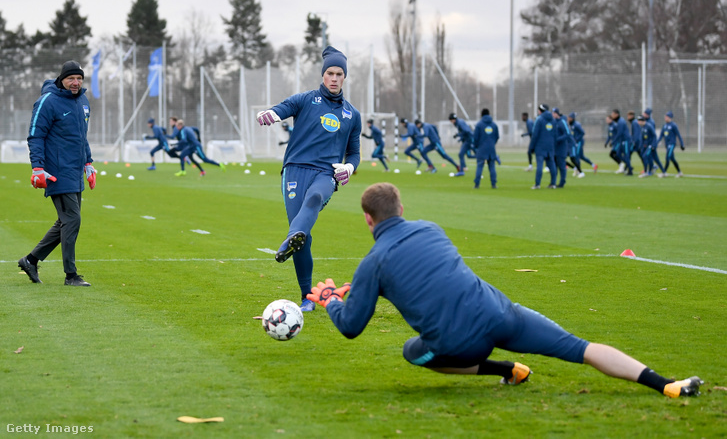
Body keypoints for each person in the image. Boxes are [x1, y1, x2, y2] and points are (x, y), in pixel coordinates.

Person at [307, 182, 703, 399]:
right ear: (402, 209)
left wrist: (332, 300)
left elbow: (351, 327)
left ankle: (507, 370)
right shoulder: (431, 228)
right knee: (580, 347)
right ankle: (667, 384)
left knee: (414, 352)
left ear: (366, 219)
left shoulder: (372, 264)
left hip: (458, 344)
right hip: (501, 315)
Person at [255, 46, 361, 312]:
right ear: (323, 75)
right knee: (303, 237)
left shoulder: (352, 115)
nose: (334, 78)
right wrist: (270, 114)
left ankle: (290, 240)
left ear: (344, 77)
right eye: (330, 73)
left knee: (314, 199)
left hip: (326, 174)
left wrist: (348, 168)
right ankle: (306, 297)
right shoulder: (305, 99)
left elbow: (355, 153)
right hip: (294, 171)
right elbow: (283, 108)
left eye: (339, 74)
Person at [18, 60, 95, 287]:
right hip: (56, 171)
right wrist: (38, 167)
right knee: (72, 220)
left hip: (74, 171)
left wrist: (88, 163)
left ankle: (30, 260)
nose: (76, 82)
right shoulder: (47, 101)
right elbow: (35, 135)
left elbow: (82, 136)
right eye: (71, 78)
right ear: (61, 79)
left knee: (65, 221)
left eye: (79, 79)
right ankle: (71, 275)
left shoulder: (83, 101)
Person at [528, 104, 556, 189]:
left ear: (540, 110)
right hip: (550, 146)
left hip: (540, 146)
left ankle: (537, 184)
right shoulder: (553, 120)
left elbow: (535, 135)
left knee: (540, 165)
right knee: (552, 165)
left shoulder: (539, 119)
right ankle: (553, 183)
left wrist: (531, 147)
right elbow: (555, 134)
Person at [472, 108, 499, 189]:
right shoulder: (494, 125)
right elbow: (497, 137)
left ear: (481, 115)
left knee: (480, 166)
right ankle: (493, 184)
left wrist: (476, 146)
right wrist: (492, 143)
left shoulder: (479, 125)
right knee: (492, 167)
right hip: (491, 148)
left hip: (482, 148)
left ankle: (477, 184)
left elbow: (475, 138)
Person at [656, 111, 685, 178]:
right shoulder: (664, 126)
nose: (665, 118)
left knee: (667, 157)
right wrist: (656, 143)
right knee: (672, 159)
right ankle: (679, 172)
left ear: (670, 117)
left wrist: (682, 144)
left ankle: (664, 172)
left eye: (667, 117)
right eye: (665, 116)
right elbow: (661, 136)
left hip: (672, 144)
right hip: (667, 144)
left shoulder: (673, 125)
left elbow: (678, 135)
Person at [448, 113, 474, 177]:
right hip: (467, 140)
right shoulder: (458, 122)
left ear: (453, 119)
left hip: (470, 140)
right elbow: (464, 131)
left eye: (451, 120)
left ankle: (492, 157)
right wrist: (461, 138)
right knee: (462, 154)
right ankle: (462, 171)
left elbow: (466, 131)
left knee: (473, 154)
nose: (451, 122)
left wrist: (458, 135)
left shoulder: (459, 123)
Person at [553, 108, 573, 188]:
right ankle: (553, 182)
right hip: (554, 148)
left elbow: (567, 134)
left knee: (561, 165)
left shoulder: (562, 122)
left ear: (557, 114)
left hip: (561, 148)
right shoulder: (553, 122)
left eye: (554, 113)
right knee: (554, 166)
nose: (553, 114)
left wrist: (558, 139)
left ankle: (562, 182)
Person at [611, 109, 633, 175]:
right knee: (617, 154)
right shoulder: (619, 121)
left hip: (626, 141)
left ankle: (630, 171)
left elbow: (619, 133)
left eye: (613, 114)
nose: (612, 116)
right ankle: (628, 166)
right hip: (622, 141)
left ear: (616, 114)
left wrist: (613, 141)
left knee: (626, 155)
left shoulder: (621, 122)